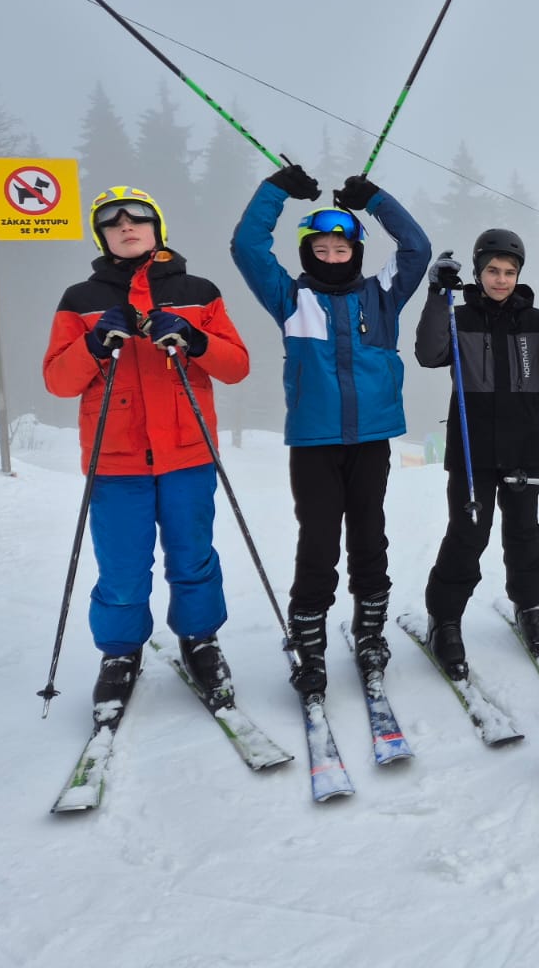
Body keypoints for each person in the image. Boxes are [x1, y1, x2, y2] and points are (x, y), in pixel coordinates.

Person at [43, 186, 251, 712]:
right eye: (112, 223)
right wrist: (93, 344)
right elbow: (59, 381)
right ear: (102, 237)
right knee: (121, 569)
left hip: (188, 454)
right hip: (116, 461)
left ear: (157, 228)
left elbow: (236, 366)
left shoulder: (198, 292)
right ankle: (119, 654)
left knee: (193, 558)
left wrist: (193, 338)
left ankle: (200, 641)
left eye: (137, 218)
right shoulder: (80, 300)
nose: (126, 227)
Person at [230, 164, 431, 695]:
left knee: (369, 534)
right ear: (306, 254)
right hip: (314, 442)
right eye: (320, 250)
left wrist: (375, 200)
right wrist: (276, 190)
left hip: (371, 439)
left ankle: (370, 631)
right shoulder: (289, 298)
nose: (331, 257)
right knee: (318, 540)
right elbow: (247, 247)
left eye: (341, 250)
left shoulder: (382, 294)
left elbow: (417, 248)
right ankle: (309, 637)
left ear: (356, 253)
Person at [415, 228, 539, 675]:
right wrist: (436, 293)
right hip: (474, 451)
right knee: (468, 535)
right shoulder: (459, 316)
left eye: (509, 272)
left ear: (519, 274)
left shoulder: (537, 321)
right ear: (478, 272)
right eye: (492, 271)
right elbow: (428, 353)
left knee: (524, 532)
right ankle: (445, 618)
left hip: (525, 447)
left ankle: (529, 604)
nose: (501, 279)